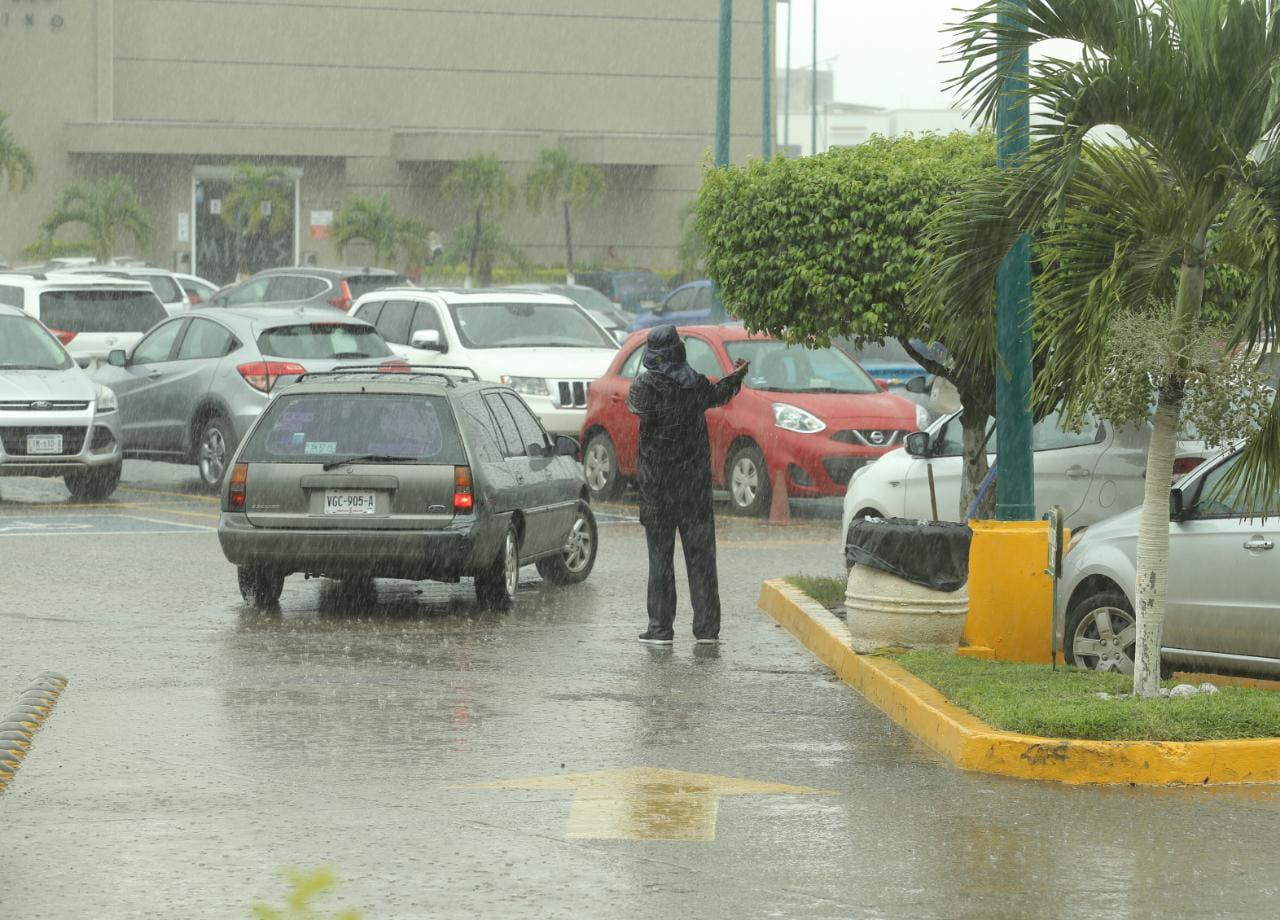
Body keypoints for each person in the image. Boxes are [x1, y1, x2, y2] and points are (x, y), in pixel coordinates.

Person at [627, 324, 750, 645]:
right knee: (702, 558)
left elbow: (635, 406)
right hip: (693, 488)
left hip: (658, 488)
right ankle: (707, 628)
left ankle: (660, 628)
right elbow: (718, 394)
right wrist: (736, 376)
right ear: (679, 351)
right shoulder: (695, 384)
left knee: (660, 558)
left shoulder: (645, 386)